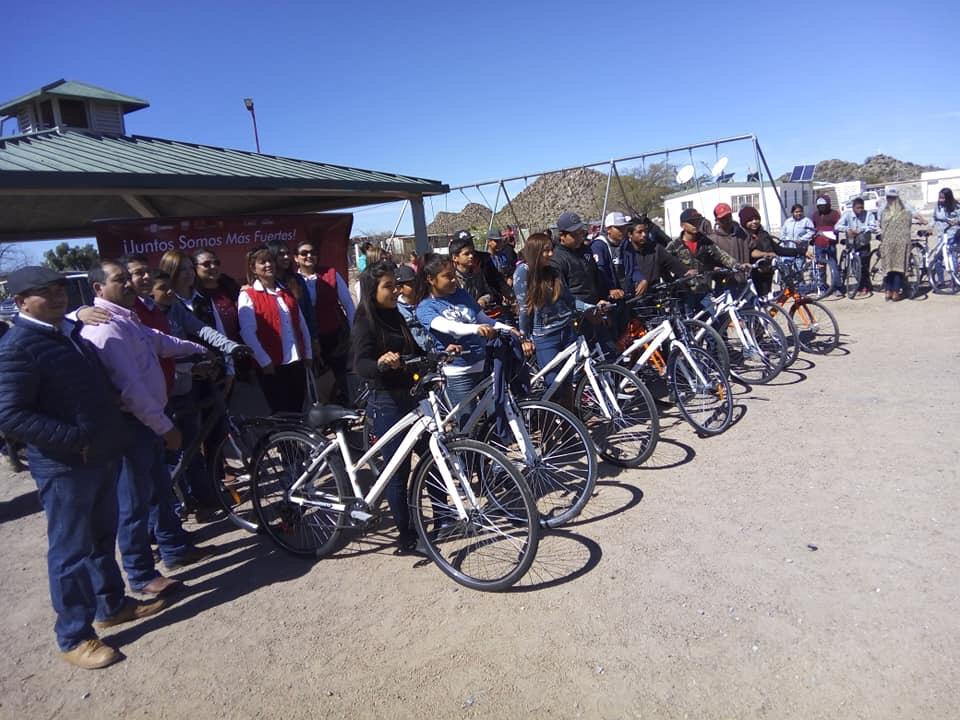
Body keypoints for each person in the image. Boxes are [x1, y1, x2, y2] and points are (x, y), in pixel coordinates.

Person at [0, 267, 169, 669]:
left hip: (99, 456)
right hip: (65, 466)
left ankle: (110, 604)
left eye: (60, 290)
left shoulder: (66, 333)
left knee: (99, 538)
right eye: (44, 292)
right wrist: (76, 438)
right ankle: (74, 636)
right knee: (70, 551)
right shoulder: (19, 346)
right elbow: (10, 414)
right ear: (21, 302)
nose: (57, 297)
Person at [82, 260, 217, 593]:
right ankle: (141, 575)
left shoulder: (127, 320)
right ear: (98, 289)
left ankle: (174, 548)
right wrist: (164, 427)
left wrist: (201, 349)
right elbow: (132, 390)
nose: (129, 284)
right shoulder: (106, 328)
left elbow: (160, 341)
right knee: (133, 504)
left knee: (159, 490)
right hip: (132, 427)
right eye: (119, 280)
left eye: (128, 278)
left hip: (148, 422)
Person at [351, 261, 425, 556]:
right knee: (398, 472)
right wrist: (381, 362)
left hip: (410, 398)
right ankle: (405, 537)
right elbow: (361, 364)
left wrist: (437, 354)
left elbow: (412, 350)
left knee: (432, 456)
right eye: (388, 286)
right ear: (372, 290)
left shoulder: (395, 315)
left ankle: (443, 519)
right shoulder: (365, 322)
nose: (395, 290)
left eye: (396, 285)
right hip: (386, 403)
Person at [415, 253, 514, 425]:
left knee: (494, 421)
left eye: (454, 275)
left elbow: (484, 319)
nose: (454, 280)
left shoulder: (462, 295)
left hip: (483, 366)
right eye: (447, 277)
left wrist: (508, 329)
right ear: (430, 279)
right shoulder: (425, 307)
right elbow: (450, 327)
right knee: (468, 427)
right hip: (459, 373)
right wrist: (477, 329)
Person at [238, 244, 313, 411]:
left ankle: (297, 438)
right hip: (272, 365)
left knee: (297, 408)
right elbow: (248, 333)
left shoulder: (285, 291)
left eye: (270, 261)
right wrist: (264, 361)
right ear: (253, 267)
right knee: (281, 411)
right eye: (262, 262)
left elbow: (301, 324)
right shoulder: (248, 295)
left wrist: (307, 352)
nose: (268, 265)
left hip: (296, 360)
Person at [518, 233, 590, 399]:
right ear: (535, 252)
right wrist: (524, 338)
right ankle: (551, 422)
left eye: (551, 249)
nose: (551, 254)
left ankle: (570, 422)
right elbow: (524, 308)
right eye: (546, 251)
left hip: (567, 330)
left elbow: (569, 300)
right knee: (553, 383)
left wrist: (589, 307)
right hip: (546, 337)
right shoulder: (523, 271)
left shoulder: (553, 271)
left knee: (567, 381)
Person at [295, 239, 355, 401]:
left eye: (313, 252)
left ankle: (345, 410)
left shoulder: (331, 274)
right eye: (304, 253)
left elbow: (348, 304)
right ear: (296, 258)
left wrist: (353, 332)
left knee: (339, 376)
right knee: (316, 379)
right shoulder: (292, 281)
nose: (309, 256)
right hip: (308, 337)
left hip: (335, 334)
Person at [665, 208, 747, 313]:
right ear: (682, 225)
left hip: (703, 290)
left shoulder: (705, 241)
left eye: (698, 221)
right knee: (688, 324)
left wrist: (737, 265)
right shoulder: (674, 245)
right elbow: (664, 263)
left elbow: (721, 255)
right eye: (691, 222)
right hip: (684, 292)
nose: (695, 224)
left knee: (711, 322)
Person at [739, 206, 806, 296]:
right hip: (752, 276)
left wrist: (801, 251)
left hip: (767, 273)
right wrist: (765, 254)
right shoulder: (741, 237)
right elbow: (750, 252)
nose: (754, 222)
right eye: (750, 220)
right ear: (744, 222)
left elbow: (779, 250)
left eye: (756, 219)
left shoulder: (764, 234)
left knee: (765, 302)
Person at [620, 221, 690, 295]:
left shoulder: (656, 248)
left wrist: (687, 271)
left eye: (645, 231)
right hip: (633, 297)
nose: (644, 234)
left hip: (655, 295)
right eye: (639, 232)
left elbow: (673, 263)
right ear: (630, 234)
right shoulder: (625, 252)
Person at [193, 249, 242, 342]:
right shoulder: (194, 296)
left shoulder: (230, 286)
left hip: (241, 347)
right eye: (206, 264)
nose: (213, 266)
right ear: (195, 268)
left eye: (216, 263)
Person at [834, 198, 879, 296]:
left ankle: (864, 287)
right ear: (853, 207)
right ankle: (853, 284)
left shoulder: (868, 215)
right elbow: (837, 226)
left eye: (862, 207)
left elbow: (873, 227)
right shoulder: (847, 214)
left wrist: (862, 229)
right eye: (858, 208)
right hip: (851, 243)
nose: (860, 210)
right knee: (854, 267)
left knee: (864, 266)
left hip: (863, 244)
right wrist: (848, 229)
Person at [878, 188, 916, 301]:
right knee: (898, 269)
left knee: (888, 268)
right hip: (901, 243)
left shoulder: (883, 211)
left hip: (887, 242)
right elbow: (911, 220)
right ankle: (895, 293)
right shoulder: (905, 210)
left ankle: (888, 292)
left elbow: (880, 224)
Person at [591, 212, 630, 301]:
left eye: (624, 227)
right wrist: (610, 288)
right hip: (609, 297)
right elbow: (600, 271)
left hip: (625, 295)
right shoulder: (599, 245)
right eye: (618, 228)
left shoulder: (626, 244)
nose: (623, 231)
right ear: (609, 229)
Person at [712, 203, 751, 290]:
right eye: (723, 218)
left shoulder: (743, 233)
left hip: (744, 282)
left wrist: (766, 254)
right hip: (723, 285)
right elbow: (708, 263)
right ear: (717, 220)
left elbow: (752, 249)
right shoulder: (712, 239)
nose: (727, 220)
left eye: (728, 216)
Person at [811, 196, 843, 297]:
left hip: (831, 244)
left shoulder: (834, 214)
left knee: (833, 266)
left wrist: (833, 232)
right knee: (820, 267)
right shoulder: (815, 215)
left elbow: (839, 226)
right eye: (819, 206)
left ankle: (836, 288)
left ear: (828, 205)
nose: (821, 208)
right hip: (819, 244)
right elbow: (812, 228)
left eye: (823, 206)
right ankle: (823, 287)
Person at [395, 264, 430, 350]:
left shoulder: (425, 304)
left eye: (415, 282)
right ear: (400, 288)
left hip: (430, 350)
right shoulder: (396, 309)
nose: (415, 286)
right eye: (410, 284)